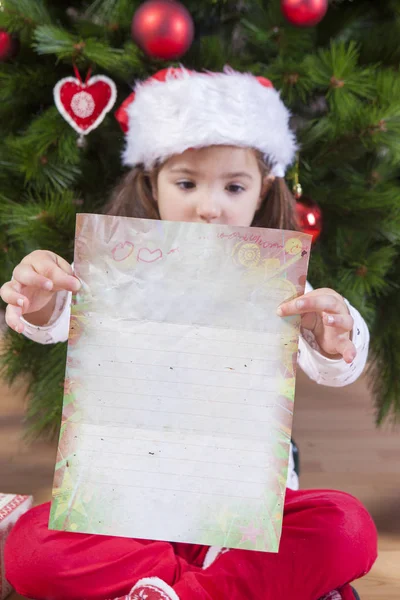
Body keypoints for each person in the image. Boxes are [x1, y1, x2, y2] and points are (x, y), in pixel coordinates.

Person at [1, 67, 376, 600]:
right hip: (127, 508)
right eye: (186, 182)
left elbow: (333, 363)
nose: (209, 206)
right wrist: (40, 298)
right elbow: (49, 321)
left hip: (245, 509)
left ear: (262, 191)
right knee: (32, 547)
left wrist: (334, 337)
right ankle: (207, 589)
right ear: (151, 186)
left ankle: (181, 590)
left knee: (347, 526)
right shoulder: (112, 268)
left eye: (233, 186)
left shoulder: (275, 279)